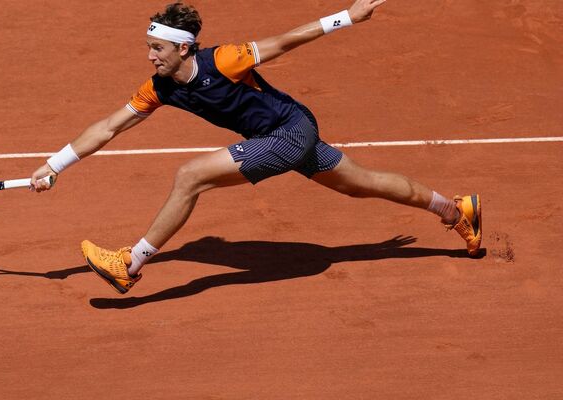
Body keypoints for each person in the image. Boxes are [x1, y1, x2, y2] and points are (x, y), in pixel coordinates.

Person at [30, 0, 482, 294]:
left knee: (191, 176)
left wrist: (347, 15)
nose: (150, 56)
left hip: (290, 130)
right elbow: (109, 127)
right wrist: (54, 165)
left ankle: (130, 264)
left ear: (183, 50)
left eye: (156, 49)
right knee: (362, 184)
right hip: (280, 137)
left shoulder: (225, 59)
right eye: (148, 48)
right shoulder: (160, 87)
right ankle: (455, 209)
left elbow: (286, 41)